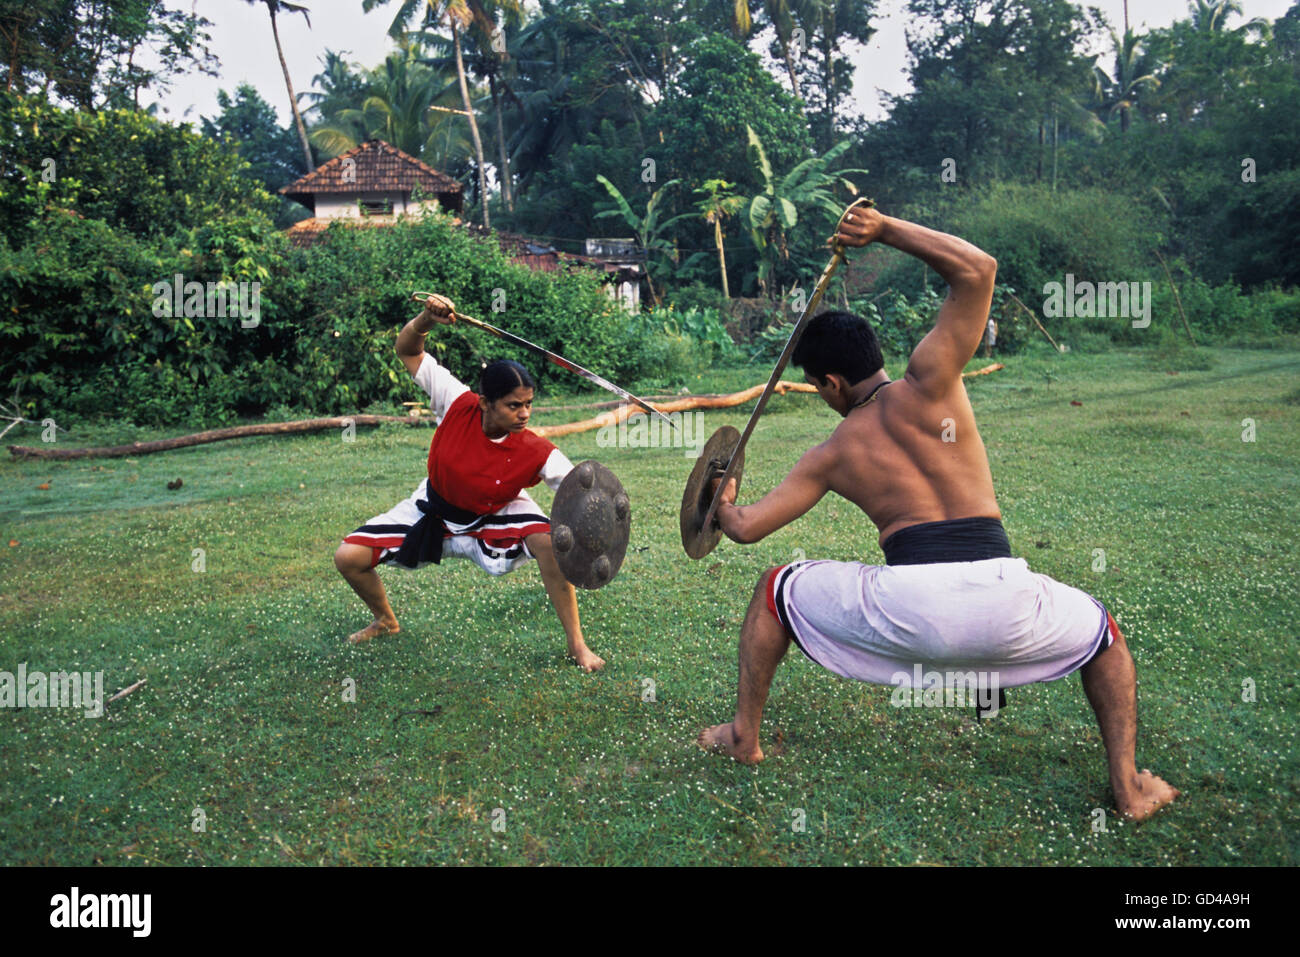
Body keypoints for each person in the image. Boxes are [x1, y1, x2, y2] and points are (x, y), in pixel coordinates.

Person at [697, 206, 1178, 821]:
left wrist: (724, 490)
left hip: (910, 615)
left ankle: (744, 736)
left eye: (819, 388)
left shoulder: (832, 454)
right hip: (1006, 603)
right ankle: (1128, 790)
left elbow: (743, 529)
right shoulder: (933, 380)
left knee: (775, 588)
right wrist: (886, 230)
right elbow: (978, 271)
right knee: (1104, 638)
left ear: (831, 383)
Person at [333, 293, 605, 672]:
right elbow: (407, 350)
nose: (524, 413)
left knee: (549, 543)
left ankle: (578, 645)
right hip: (433, 507)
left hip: (495, 512)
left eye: (529, 403)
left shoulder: (537, 450)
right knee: (348, 557)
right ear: (485, 402)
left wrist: (594, 522)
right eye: (514, 405)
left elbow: (579, 489)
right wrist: (426, 319)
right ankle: (385, 621)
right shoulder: (456, 401)